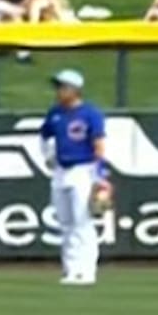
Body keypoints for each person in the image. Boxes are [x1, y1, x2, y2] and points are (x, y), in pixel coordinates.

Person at [39, 69, 109, 286]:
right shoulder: (55, 113)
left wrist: (100, 176)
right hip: (61, 172)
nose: (59, 91)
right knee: (66, 223)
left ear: (74, 90)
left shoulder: (90, 113)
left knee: (82, 221)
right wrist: (48, 156)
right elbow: (44, 136)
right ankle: (71, 269)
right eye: (58, 87)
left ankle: (87, 271)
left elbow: (99, 146)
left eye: (63, 87)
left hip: (83, 170)